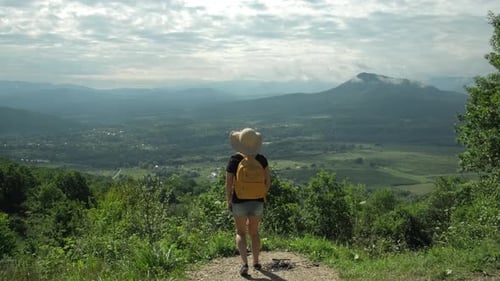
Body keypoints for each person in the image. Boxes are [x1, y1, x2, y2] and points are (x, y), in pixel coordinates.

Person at [225, 128, 271, 277]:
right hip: (257, 201)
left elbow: (228, 183)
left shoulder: (234, 160)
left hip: (239, 201)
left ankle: (244, 264)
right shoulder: (262, 159)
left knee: (240, 232)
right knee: (254, 232)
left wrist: (229, 200)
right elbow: (268, 182)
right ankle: (256, 262)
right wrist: (260, 194)